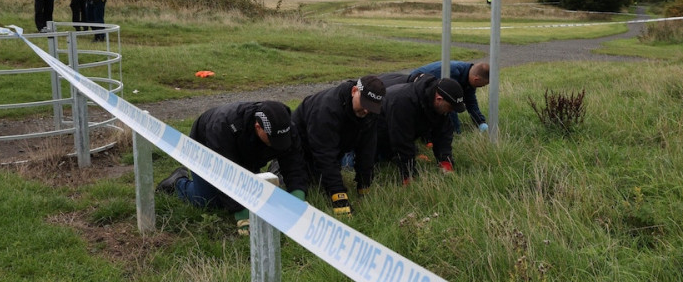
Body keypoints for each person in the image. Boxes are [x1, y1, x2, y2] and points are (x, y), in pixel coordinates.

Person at [157, 101, 308, 236]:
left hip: (246, 154)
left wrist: (297, 199)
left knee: (254, 193)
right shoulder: (223, 126)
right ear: (258, 127)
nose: (278, 144)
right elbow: (223, 172)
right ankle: (178, 182)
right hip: (205, 148)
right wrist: (241, 213)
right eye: (273, 139)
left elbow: (294, 163)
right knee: (207, 201)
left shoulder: (285, 127)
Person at [291, 75, 385, 216]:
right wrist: (338, 195)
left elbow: (367, 148)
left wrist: (364, 184)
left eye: (371, 107)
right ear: (354, 91)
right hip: (299, 146)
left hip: (335, 145)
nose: (366, 111)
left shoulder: (369, 112)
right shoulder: (327, 109)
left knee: (321, 177)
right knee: (297, 181)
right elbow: (325, 155)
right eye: (365, 104)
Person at [377, 75, 465, 183]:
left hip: (396, 132)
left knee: (407, 152)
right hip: (374, 133)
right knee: (369, 161)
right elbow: (401, 140)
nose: (451, 111)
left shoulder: (439, 106)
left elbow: (443, 133)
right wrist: (408, 175)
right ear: (439, 99)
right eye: (451, 107)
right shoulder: (403, 102)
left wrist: (445, 161)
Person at [409, 61, 489, 133]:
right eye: (483, 84)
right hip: (413, 87)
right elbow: (450, 105)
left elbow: (471, 102)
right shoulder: (452, 73)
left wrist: (481, 122)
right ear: (476, 79)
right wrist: (456, 131)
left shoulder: (469, 76)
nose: (482, 86)